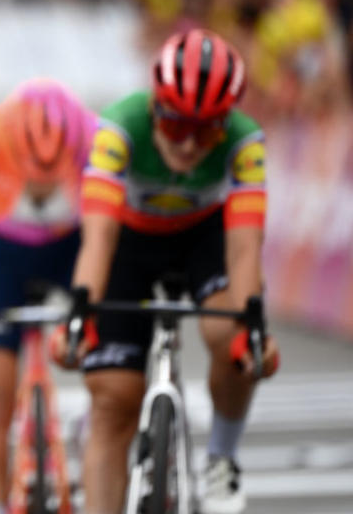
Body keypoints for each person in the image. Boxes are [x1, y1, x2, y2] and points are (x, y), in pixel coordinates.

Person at [55, 28, 280, 514]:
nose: (191, 145)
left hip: (203, 239)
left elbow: (245, 249)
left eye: (208, 130)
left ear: (227, 123)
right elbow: (98, 237)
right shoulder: (119, 127)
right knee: (115, 399)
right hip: (127, 241)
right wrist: (80, 311)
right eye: (178, 126)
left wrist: (252, 328)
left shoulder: (246, 143)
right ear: (156, 107)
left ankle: (222, 455)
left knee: (230, 334)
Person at [0, 79, 96, 514]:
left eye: (50, 175)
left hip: (68, 248)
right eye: (30, 174)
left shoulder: (94, 138)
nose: (39, 186)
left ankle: (97, 420)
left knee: (108, 350)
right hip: (4, 256)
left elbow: (106, 237)